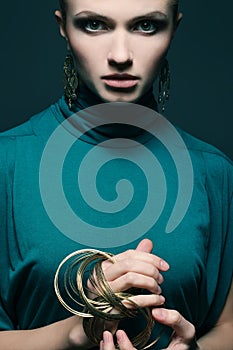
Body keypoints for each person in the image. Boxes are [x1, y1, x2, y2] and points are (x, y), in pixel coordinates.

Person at [0, 0, 232, 349]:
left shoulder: (214, 173)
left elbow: (228, 327)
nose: (121, 54)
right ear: (63, 27)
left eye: (146, 26)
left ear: (174, 28)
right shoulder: (7, 163)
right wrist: (78, 331)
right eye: (94, 25)